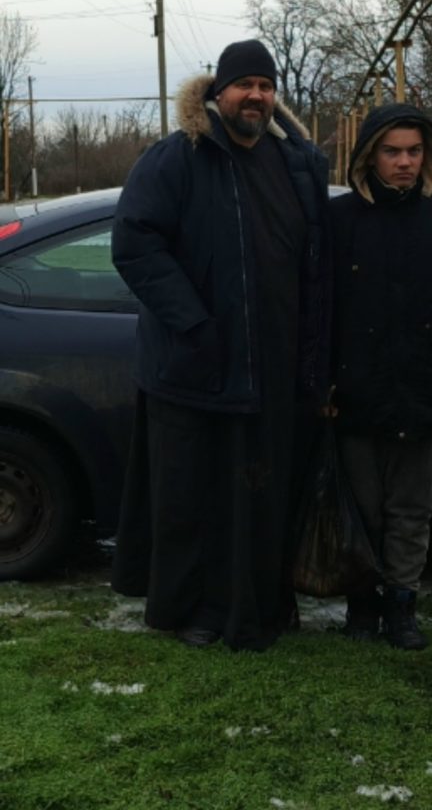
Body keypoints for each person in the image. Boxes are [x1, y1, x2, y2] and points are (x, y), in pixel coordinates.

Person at [110, 39, 331, 652]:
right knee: (195, 499)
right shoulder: (179, 157)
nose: (255, 96)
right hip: (196, 363)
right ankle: (196, 611)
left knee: (259, 496)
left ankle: (262, 604)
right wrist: (194, 322)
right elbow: (135, 243)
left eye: (265, 85)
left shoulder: (296, 163)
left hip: (274, 367)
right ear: (219, 93)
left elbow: (315, 262)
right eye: (244, 85)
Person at [330, 102, 432, 649]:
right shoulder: (340, 221)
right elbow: (321, 307)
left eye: (413, 151)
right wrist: (327, 381)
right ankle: (362, 605)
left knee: (411, 510)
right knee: (361, 508)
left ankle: (403, 607)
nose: (404, 162)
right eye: (392, 152)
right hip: (355, 391)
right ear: (370, 156)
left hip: (424, 388)